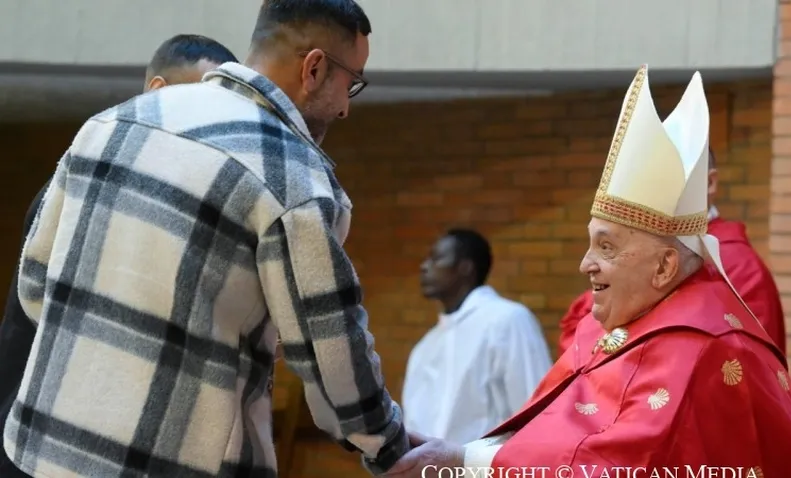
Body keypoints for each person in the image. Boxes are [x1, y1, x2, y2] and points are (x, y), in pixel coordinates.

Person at [4, 1, 408, 477]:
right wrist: (388, 445)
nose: (344, 107)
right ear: (314, 68)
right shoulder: (293, 177)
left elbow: (35, 286)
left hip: (42, 452)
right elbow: (332, 357)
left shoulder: (109, 124)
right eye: (351, 82)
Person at [385, 65, 791, 478]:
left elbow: (619, 463)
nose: (586, 263)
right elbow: (553, 434)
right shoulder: (614, 323)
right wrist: (460, 457)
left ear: (665, 266)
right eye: (590, 243)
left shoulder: (705, 350)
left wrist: (463, 461)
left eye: (607, 247)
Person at [0, 33, 238, 478]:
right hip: (33, 429)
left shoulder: (182, 199)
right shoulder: (84, 180)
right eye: (199, 101)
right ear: (157, 92)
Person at [557, 150, 787, 356]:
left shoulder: (741, 269)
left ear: (709, 183)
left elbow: (743, 364)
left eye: (668, 181)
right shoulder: (634, 249)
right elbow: (579, 338)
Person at [402, 229, 552, 445]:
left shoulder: (507, 320)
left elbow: (537, 412)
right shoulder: (424, 347)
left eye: (437, 258)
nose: (424, 266)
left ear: (466, 267)